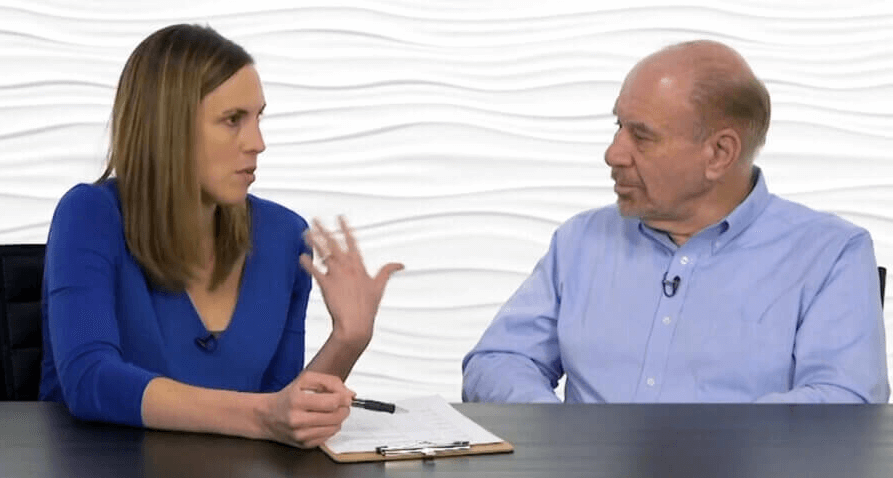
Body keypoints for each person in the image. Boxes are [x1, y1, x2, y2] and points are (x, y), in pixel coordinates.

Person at [462, 40, 889, 404]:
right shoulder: (581, 240)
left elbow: (845, 400)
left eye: (641, 136)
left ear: (719, 154)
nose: (614, 153)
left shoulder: (831, 252)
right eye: (618, 126)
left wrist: (698, 447)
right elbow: (498, 361)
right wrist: (560, 428)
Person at [38, 24, 403, 448]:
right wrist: (266, 416)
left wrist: (348, 339)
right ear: (167, 127)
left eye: (258, 117)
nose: (258, 142)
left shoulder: (285, 236)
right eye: (233, 120)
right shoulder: (89, 213)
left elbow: (280, 409)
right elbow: (89, 379)